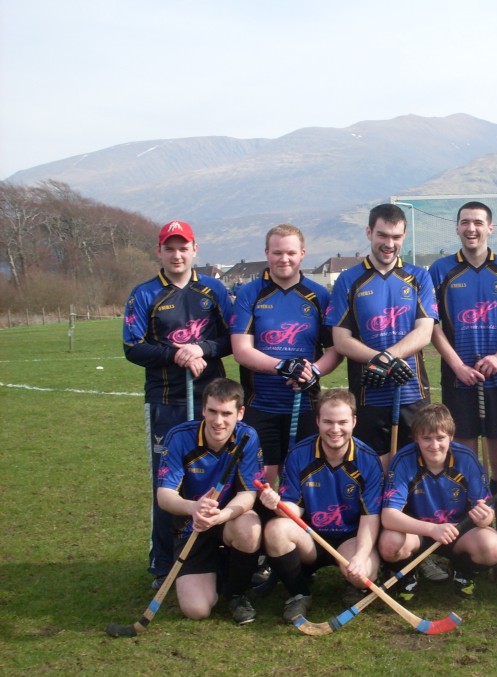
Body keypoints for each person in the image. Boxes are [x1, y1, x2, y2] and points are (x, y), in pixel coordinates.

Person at [123, 220, 233, 586]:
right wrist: (177, 355)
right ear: (159, 251)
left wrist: (201, 348)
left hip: (212, 401)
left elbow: (232, 339)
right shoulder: (144, 294)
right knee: (167, 484)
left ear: (195, 249)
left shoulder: (214, 289)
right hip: (166, 401)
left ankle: (220, 553)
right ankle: (163, 561)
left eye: (183, 247)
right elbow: (132, 347)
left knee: (218, 478)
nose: (176, 254)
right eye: (169, 248)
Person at [327, 203, 438, 472]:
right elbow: (341, 340)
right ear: (369, 233)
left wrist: (387, 357)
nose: (389, 244)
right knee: (374, 472)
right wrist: (379, 361)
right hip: (368, 394)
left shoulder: (419, 277)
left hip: (412, 392)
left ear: (404, 237)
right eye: (382, 235)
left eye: (396, 237)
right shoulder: (348, 280)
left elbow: (424, 332)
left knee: (415, 470)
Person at [256, 388, 382, 622]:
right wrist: (276, 505)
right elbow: (293, 511)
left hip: (349, 539)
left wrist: (361, 556)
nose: (335, 429)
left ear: (354, 421)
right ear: (317, 421)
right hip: (311, 537)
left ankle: (353, 584)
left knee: (361, 573)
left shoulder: (368, 460)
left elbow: (370, 517)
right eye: (328, 422)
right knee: (276, 529)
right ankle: (299, 593)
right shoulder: (298, 455)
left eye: (343, 422)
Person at [231, 224, 342, 489]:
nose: (284, 259)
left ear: (302, 253)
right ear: (267, 253)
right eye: (277, 252)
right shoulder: (250, 293)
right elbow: (241, 350)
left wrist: (311, 372)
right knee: (263, 484)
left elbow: (336, 350)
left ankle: (295, 532)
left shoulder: (319, 295)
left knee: (303, 482)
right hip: (261, 406)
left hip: (305, 405)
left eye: (291, 252)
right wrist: (282, 366)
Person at [429, 202, 497, 495]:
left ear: (490, 228)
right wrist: (457, 365)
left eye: (478, 223)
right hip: (457, 379)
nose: (471, 228)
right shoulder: (440, 269)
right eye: (465, 222)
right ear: (457, 227)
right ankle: (467, 528)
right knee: (463, 457)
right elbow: (431, 324)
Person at [155, 378, 263, 624]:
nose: (218, 421)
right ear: (203, 409)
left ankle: (236, 593)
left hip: (228, 521)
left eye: (227, 413)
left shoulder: (247, 436)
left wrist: (221, 516)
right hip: (192, 526)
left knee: (250, 527)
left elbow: (248, 494)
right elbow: (165, 496)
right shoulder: (179, 437)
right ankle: (221, 570)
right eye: (212, 411)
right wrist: (194, 508)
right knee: (197, 610)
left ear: (240, 413)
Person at [378, 404, 497, 600]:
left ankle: (462, 571)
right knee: (389, 544)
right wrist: (432, 529)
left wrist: (484, 517)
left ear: (451, 437)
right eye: (426, 438)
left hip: (457, 531)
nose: (434, 445)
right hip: (418, 532)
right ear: (416, 437)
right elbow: (388, 516)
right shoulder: (403, 459)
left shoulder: (466, 459)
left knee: (492, 547)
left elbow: (488, 513)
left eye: (440, 438)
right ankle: (408, 575)